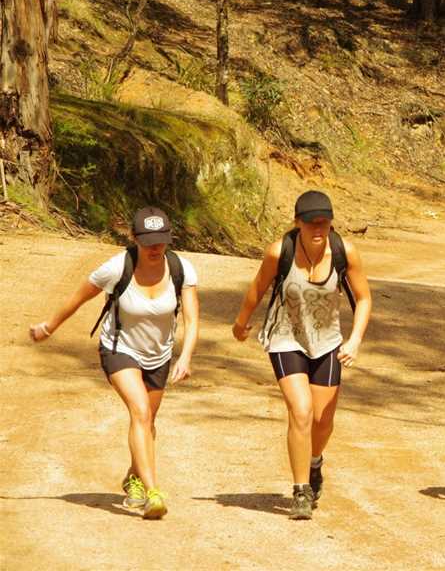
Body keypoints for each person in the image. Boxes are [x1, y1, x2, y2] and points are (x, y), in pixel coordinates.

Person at [29, 207, 199, 519]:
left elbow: (192, 318)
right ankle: (153, 492)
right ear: (134, 238)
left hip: (159, 355)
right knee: (141, 411)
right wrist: (48, 327)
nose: (154, 248)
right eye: (147, 241)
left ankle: (133, 477)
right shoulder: (117, 267)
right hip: (119, 348)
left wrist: (185, 356)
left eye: (160, 241)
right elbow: (78, 298)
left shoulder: (181, 269)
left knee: (148, 422)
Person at [232, 190, 372, 520]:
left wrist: (354, 341)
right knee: (302, 411)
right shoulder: (280, 252)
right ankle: (300, 491)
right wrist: (241, 322)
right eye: (311, 223)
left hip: (327, 342)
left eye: (324, 222)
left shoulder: (344, 252)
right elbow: (258, 288)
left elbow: (364, 299)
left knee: (323, 421)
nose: (318, 229)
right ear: (298, 223)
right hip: (285, 338)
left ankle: (315, 461)